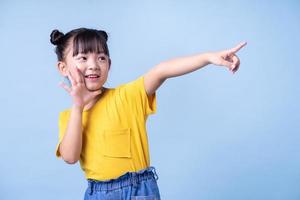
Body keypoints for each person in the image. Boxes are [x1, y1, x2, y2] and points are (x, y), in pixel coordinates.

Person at [50, 27, 246, 200]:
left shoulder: (128, 96)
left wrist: (209, 58)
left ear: (109, 64)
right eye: (83, 58)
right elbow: (70, 157)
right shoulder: (68, 117)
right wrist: (77, 107)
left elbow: (162, 70)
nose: (93, 65)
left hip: (138, 190)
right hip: (98, 194)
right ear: (63, 67)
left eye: (101, 58)